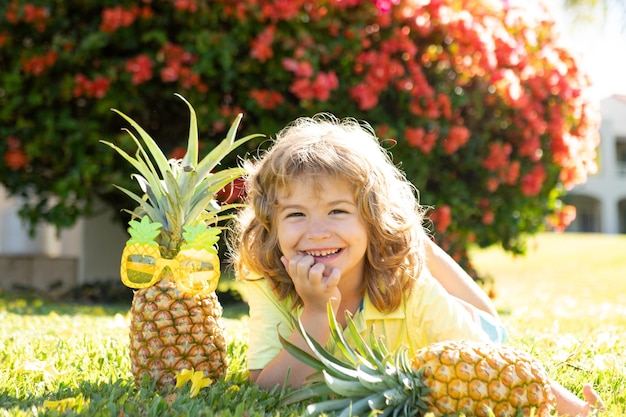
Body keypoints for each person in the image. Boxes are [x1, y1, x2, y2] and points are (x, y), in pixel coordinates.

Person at [229, 114, 603, 416]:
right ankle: (399, 237)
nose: (317, 232)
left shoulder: (411, 288)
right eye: (296, 214)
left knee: (486, 324)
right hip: (376, 261)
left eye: (337, 211)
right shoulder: (268, 277)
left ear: (369, 217)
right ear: (271, 224)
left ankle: (408, 239)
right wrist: (314, 313)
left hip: (467, 320)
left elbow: (496, 362)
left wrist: (572, 408)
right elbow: (267, 390)